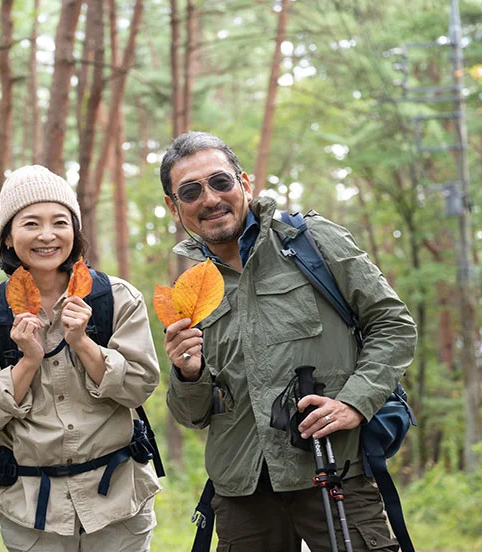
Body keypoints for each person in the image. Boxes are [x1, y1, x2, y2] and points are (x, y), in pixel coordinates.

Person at [161, 131, 417, 552]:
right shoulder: (189, 289)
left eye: (220, 182)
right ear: (174, 207)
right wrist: (188, 373)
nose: (209, 199)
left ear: (244, 182)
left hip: (335, 470)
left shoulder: (312, 241)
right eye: (191, 191)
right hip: (242, 492)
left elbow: (392, 323)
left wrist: (354, 401)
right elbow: (192, 416)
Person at [0, 165, 161, 552]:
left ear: (75, 233)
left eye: (60, 222)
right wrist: (27, 362)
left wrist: (83, 343)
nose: (47, 235)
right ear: (9, 239)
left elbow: (139, 387)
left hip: (117, 504)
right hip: (33, 513)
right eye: (31, 223)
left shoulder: (115, 299)